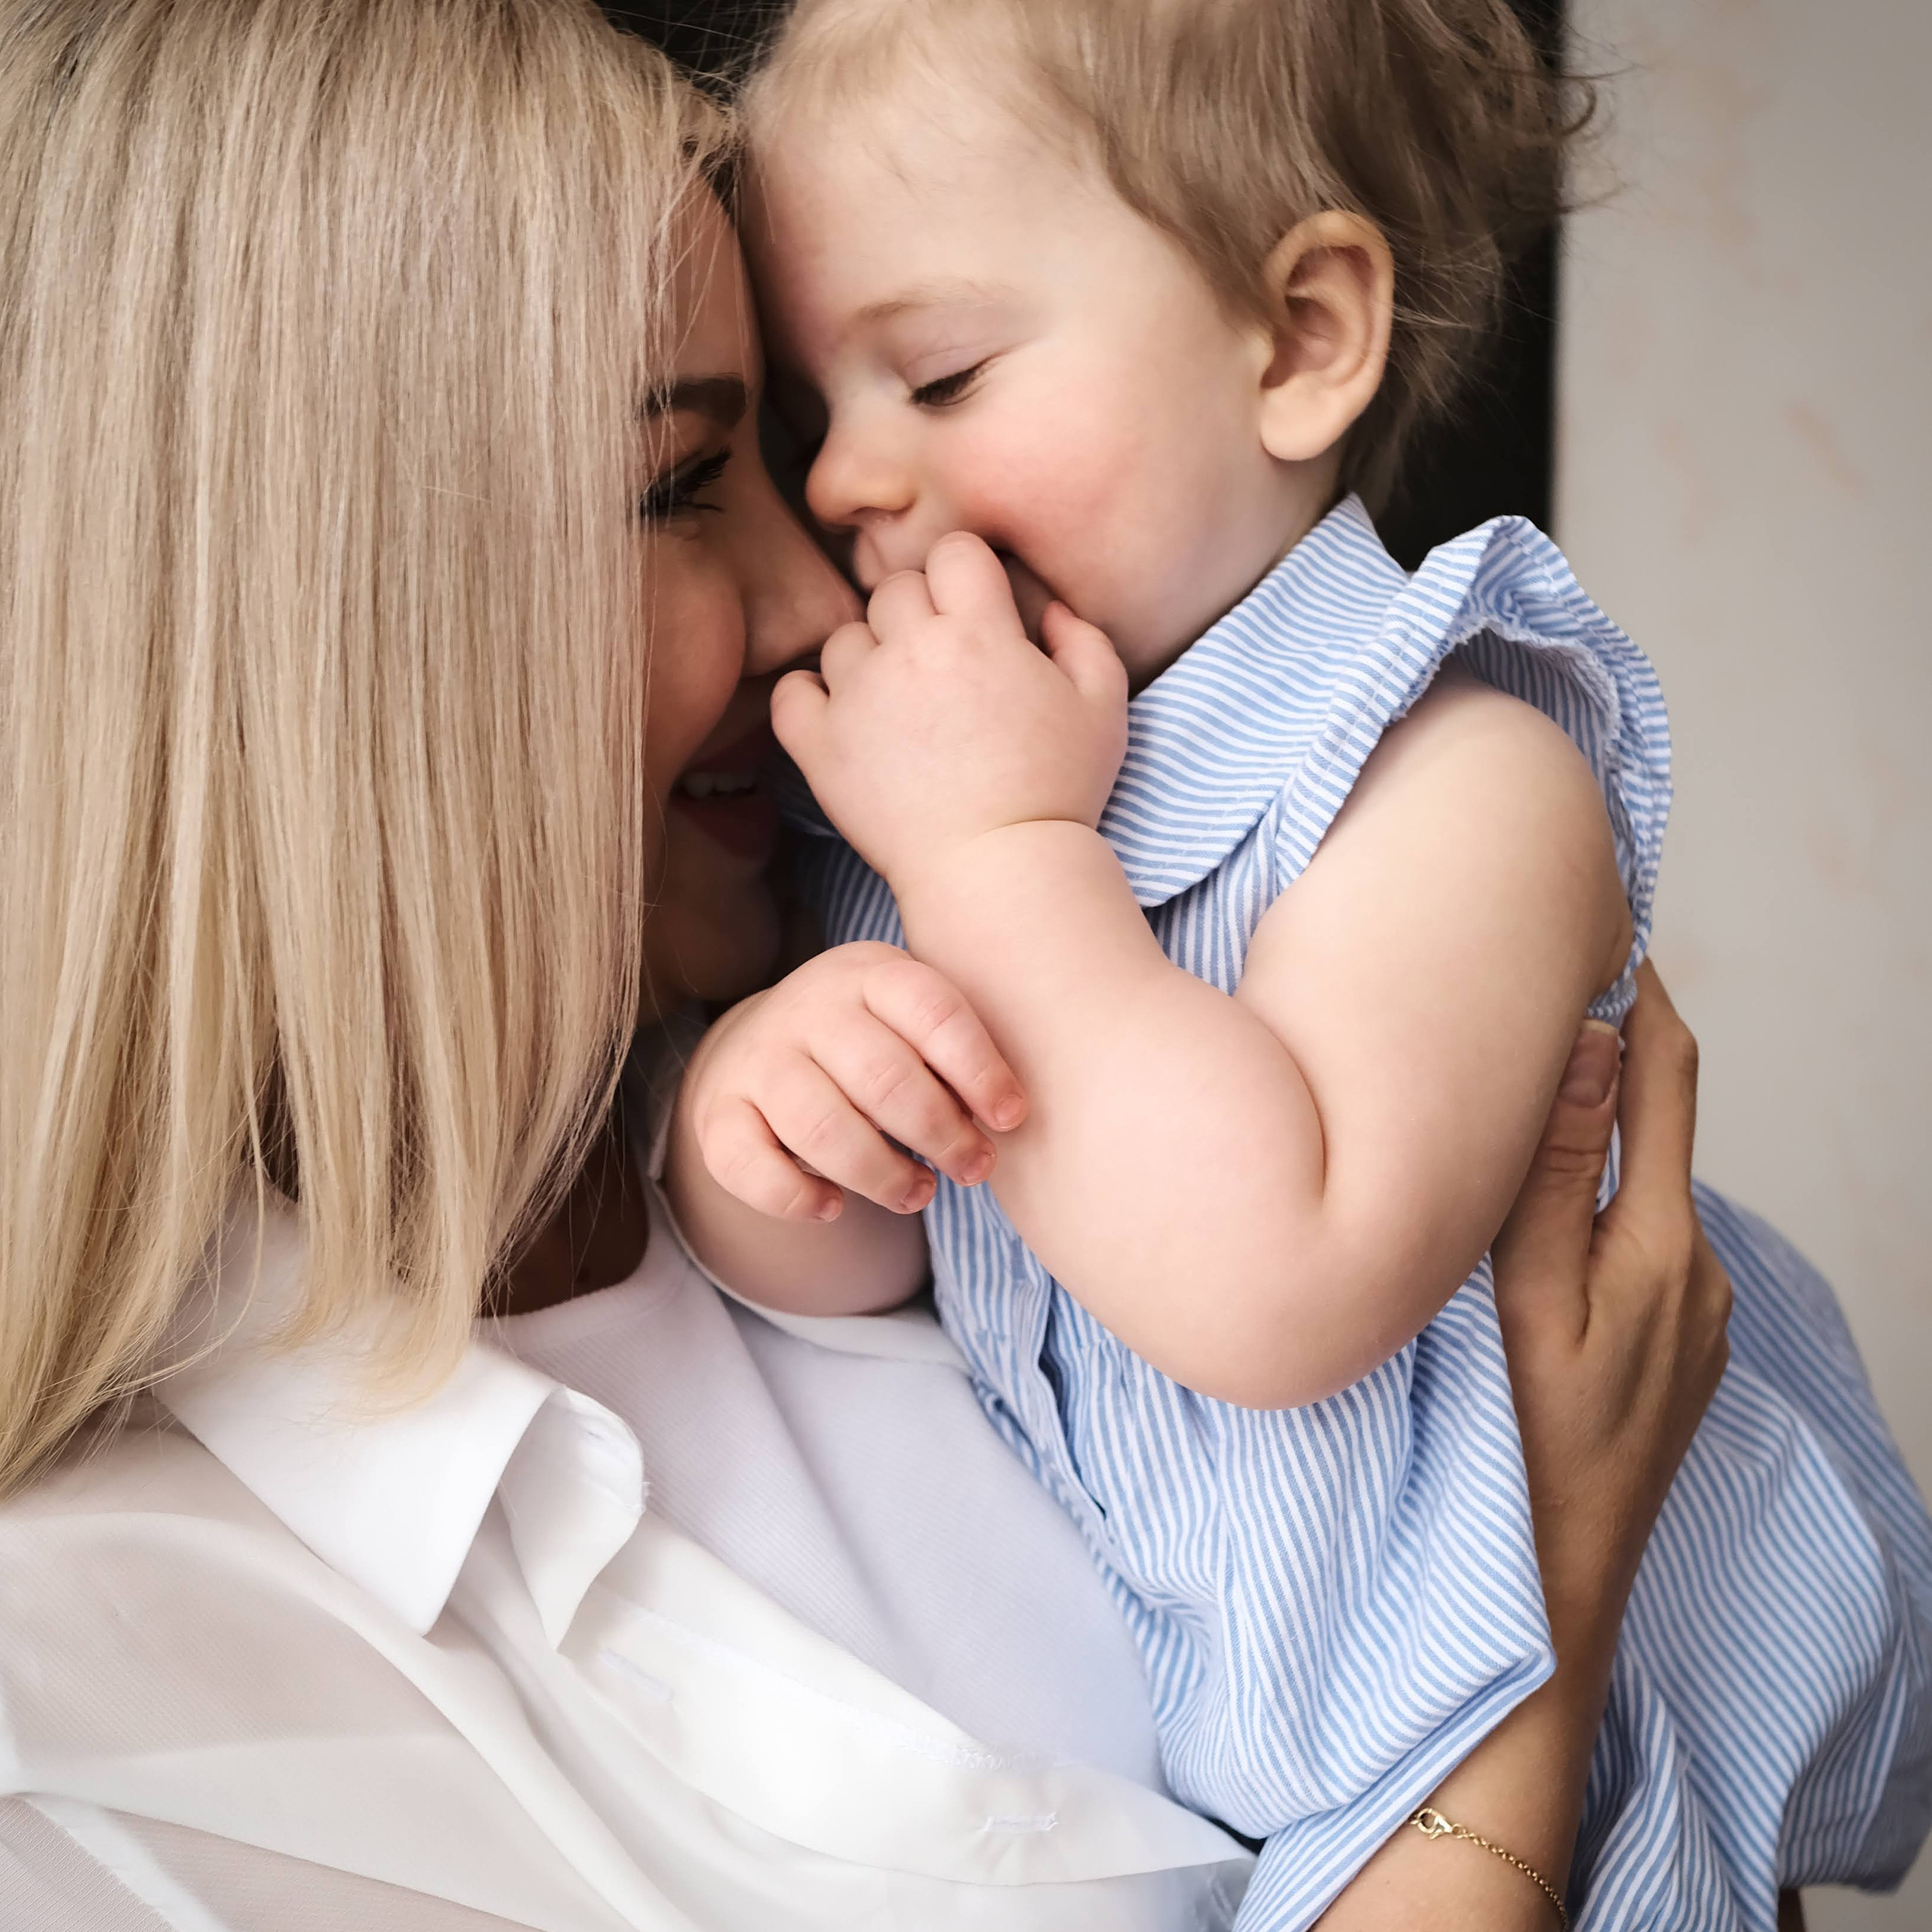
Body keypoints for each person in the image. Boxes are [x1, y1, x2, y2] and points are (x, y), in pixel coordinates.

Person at [0, 1, 1738, 1926]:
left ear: (1304, 333)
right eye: (689, 481)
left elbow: (1107, 1262)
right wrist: (1545, 1637)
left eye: (939, 377)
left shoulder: (1361, 774)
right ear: (315, 628)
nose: (838, 567)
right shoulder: (108, 1704)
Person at [660, 2, 1932, 1925]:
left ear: (1304, 337)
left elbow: (1272, 1275)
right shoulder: (938, 789)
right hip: (1232, 1796)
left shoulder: (1451, 766)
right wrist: (767, 1133)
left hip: (1535, 1748)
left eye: (938, 372)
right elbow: (908, 1256)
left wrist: (999, 860)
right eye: (808, 412)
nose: (842, 481)